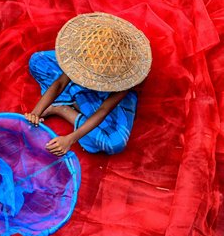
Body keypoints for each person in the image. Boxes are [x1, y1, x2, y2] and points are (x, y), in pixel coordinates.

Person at [24, 12, 152, 157]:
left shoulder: (125, 75)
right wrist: (36, 112)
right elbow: (59, 83)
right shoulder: (84, 54)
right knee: (37, 61)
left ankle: (61, 108)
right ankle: (75, 100)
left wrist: (70, 139)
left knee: (115, 143)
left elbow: (103, 110)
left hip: (103, 99)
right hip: (78, 78)